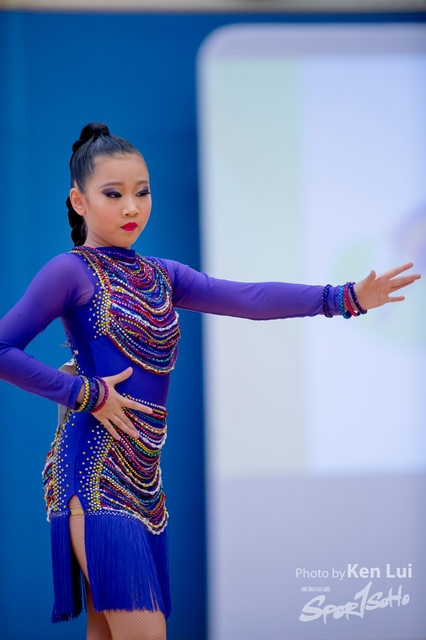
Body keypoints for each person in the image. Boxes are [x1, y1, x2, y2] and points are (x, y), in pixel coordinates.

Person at [0, 122, 420, 640]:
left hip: (144, 480)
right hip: (95, 473)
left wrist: (344, 297)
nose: (132, 207)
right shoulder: (69, 272)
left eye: (142, 192)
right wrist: (85, 393)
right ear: (78, 201)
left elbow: (249, 298)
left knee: (109, 634)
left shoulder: (162, 275)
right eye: (113, 194)